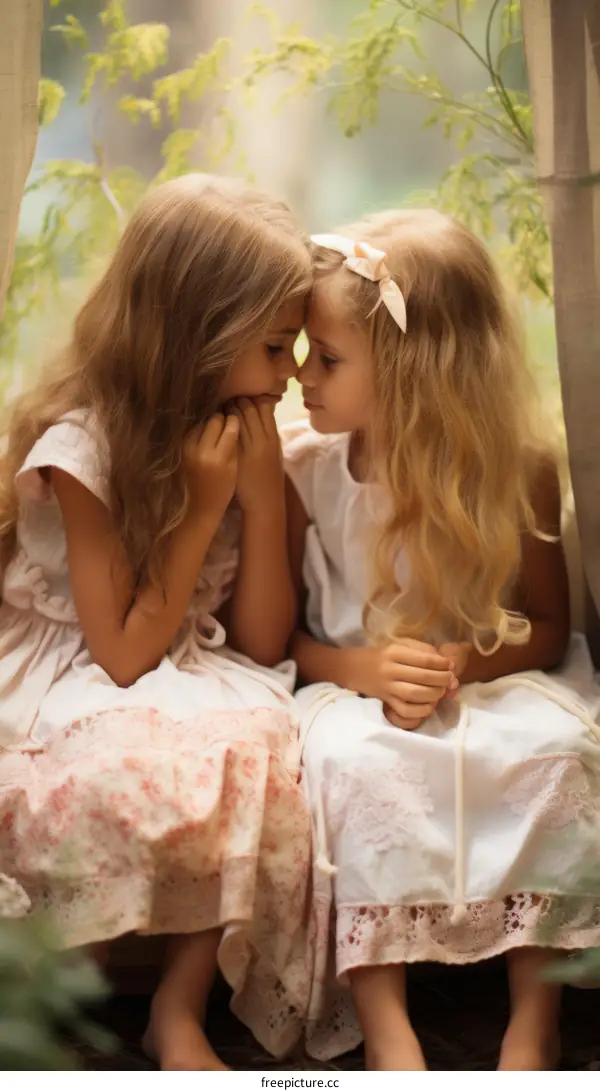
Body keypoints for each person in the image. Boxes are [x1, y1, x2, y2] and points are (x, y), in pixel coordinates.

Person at [0, 174, 313, 1070]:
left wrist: (256, 489)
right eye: (275, 346)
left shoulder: (240, 431)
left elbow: (259, 642)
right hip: (82, 667)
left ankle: (177, 1009)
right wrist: (205, 502)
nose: (288, 373)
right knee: (118, 769)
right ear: (198, 334)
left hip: (189, 654)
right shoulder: (79, 449)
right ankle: (63, 1000)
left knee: (254, 742)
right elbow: (126, 654)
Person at [282, 210, 600, 1071]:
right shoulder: (305, 469)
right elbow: (282, 640)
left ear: (415, 372)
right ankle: (389, 1027)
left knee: (555, 753)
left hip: (491, 681)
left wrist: (468, 659)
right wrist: (360, 667)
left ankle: (535, 1017)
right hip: (354, 689)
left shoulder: (519, 467)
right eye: (304, 351)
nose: (303, 378)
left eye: (329, 358)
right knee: (353, 767)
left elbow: (548, 625)